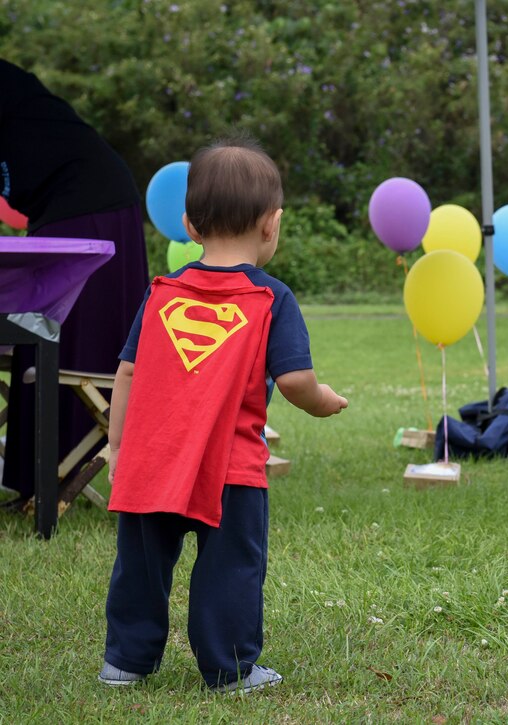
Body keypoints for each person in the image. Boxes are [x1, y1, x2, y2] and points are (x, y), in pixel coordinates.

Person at [99, 137, 348, 694]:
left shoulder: (162, 293)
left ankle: (126, 661)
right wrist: (323, 399)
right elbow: (294, 381)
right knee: (230, 568)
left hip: (153, 459)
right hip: (230, 469)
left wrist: (118, 448)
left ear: (188, 224)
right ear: (271, 224)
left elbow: (129, 373)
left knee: (139, 567)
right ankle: (229, 668)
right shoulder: (270, 298)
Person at [0, 58, 149, 504]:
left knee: (60, 341)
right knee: (37, 337)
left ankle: (50, 483)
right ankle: (38, 482)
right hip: (65, 207)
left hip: (90, 209)